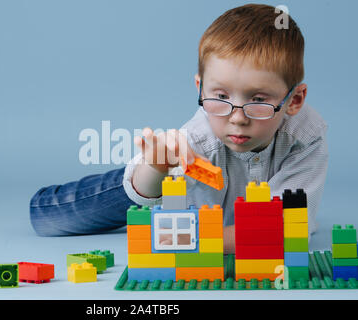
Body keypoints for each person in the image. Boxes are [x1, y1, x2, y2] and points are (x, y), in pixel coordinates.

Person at [30, 4, 328, 254]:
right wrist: (156, 168)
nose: (237, 118)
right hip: (158, 181)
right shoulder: (197, 140)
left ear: (294, 100)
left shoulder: (306, 138)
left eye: (258, 99)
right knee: (47, 218)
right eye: (221, 96)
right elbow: (160, 201)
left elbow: (287, 230)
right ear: (200, 88)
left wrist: (193, 242)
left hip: (207, 225)